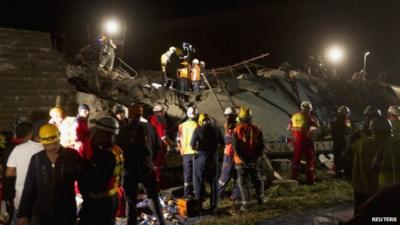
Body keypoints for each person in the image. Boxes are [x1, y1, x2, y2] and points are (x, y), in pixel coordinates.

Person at [17, 124, 82, 225]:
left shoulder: (72, 156)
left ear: (59, 138)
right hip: (41, 214)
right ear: (42, 143)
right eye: (48, 145)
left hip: (65, 213)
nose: (52, 147)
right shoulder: (37, 159)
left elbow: (84, 181)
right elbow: (29, 187)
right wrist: (23, 214)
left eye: (55, 143)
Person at [116, 103, 165, 225]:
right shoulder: (150, 128)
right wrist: (150, 159)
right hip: (147, 167)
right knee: (153, 197)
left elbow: (118, 151)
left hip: (129, 169)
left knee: (131, 201)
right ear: (141, 113)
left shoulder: (122, 131)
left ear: (129, 114)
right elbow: (158, 147)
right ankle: (161, 222)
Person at [78, 117, 123, 225]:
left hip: (100, 202)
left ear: (104, 134)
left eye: (97, 132)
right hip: (112, 197)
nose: (94, 135)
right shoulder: (117, 150)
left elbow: (94, 184)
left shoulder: (104, 156)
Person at [351, 116, 392, 215]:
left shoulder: (363, 142)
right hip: (376, 188)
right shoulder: (388, 143)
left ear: (372, 129)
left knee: (360, 214)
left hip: (360, 186)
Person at [6, 122, 43, 225]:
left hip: (21, 198)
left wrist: (23, 170)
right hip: (41, 200)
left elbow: (9, 173)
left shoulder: (18, 149)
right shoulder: (48, 150)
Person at [232, 106, 265, 211]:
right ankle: (261, 199)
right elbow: (261, 146)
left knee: (243, 183)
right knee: (257, 180)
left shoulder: (236, 130)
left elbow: (235, 147)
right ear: (250, 118)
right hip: (253, 160)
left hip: (241, 162)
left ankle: (246, 204)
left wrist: (243, 160)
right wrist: (255, 158)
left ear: (240, 118)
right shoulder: (257, 129)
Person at [190, 113, 224, 212]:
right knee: (214, 182)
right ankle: (214, 206)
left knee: (199, 182)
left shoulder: (198, 130)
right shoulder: (217, 129)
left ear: (200, 121)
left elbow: (192, 145)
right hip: (213, 157)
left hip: (201, 157)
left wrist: (199, 149)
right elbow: (223, 144)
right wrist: (214, 149)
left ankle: (199, 206)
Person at [343, 105, 382, 179]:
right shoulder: (357, 135)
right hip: (363, 175)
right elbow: (347, 156)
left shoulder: (385, 135)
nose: (371, 120)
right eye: (369, 117)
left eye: (373, 117)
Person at [288, 101, 319, 184]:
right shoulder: (309, 117)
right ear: (310, 109)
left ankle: (294, 178)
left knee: (296, 159)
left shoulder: (294, 116)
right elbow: (317, 125)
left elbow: (288, 128)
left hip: (297, 141)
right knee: (310, 159)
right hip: (307, 141)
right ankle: (310, 179)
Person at [218, 106, 240, 200]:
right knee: (234, 176)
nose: (228, 118)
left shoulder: (233, 126)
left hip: (231, 154)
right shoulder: (231, 126)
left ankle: (220, 194)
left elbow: (227, 140)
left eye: (229, 116)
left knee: (227, 175)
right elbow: (227, 140)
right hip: (233, 154)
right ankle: (234, 195)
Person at [148, 104, 173, 188]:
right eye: (163, 111)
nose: (164, 113)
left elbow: (164, 134)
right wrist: (169, 145)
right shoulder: (158, 120)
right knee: (158, 167)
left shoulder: (151, 119)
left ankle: (159, 184)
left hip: (153, 146)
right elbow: (162, 136)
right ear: (160, 112)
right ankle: (158, 186)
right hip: (159, 147)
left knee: (157, 166)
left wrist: (170, 142)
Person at [176, 106, 199, 198]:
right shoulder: (197, 126)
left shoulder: (181, 126)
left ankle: (187, 194)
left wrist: (181, 150)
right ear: (196, 116)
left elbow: (177, 140)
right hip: (196, 153)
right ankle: (197, 194)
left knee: (187, 175)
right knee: (196, 175)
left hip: (185, 154)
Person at [330, 106, 352, 177]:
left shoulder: (334, 120)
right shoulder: (346, 120)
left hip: (336, 140)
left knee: (336, 155)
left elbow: (331, 129)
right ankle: (343, 170)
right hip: (344, 140)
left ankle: (337, 169)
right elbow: (349, 130)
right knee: (344, 155)